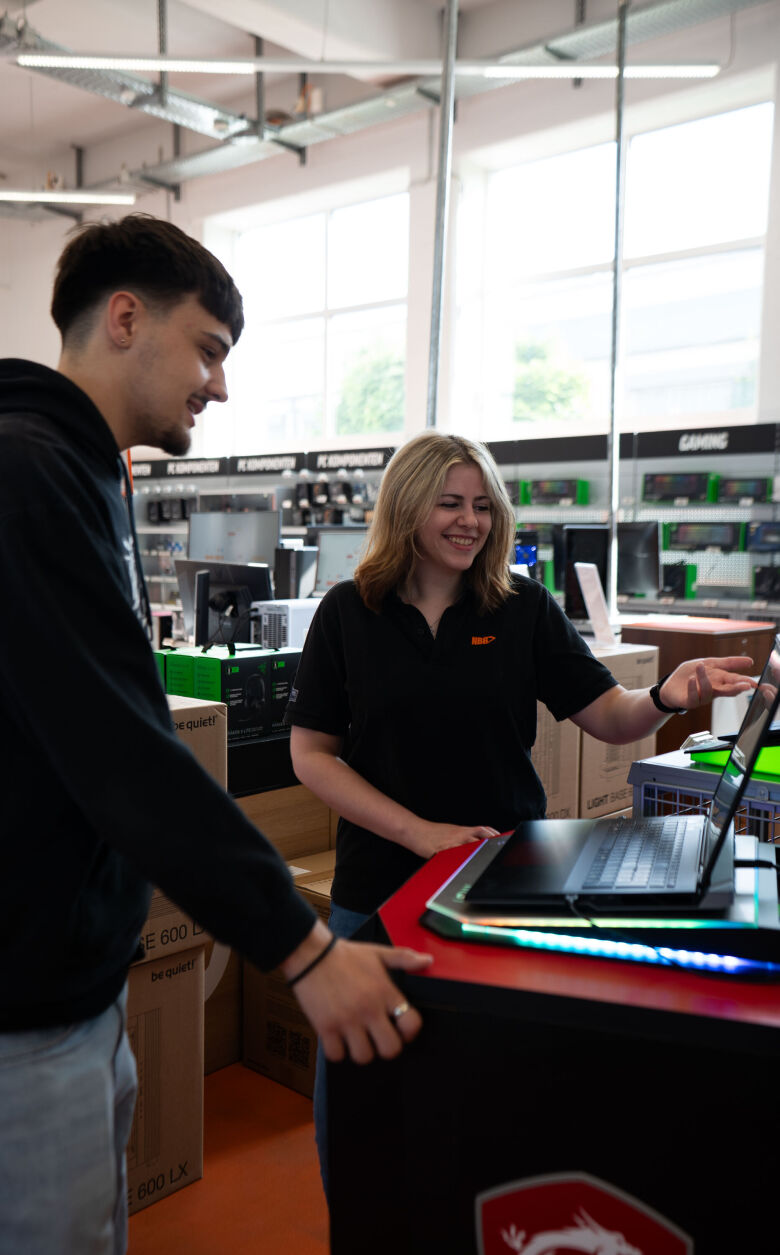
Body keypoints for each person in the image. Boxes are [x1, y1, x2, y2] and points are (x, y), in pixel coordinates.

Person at [0, 214, 433, 1255]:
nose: (220, 385)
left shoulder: (82, 470)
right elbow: (122, 750)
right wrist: (302, 941)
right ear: (123, 318)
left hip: (70, 997)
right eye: (209, 348)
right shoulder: (26, 472)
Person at [286, 429, 756, 1191]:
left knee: (486, 1096)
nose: (469, 520)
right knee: (359, 1105)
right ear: (407, 505)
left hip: (500, 890)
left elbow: (608, 713)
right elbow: (311, 755)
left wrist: (670, 694)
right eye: (449, 502)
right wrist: (421, 834)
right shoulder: (348, 613)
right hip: (376, 896)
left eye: (482, 504)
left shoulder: (522, 608)